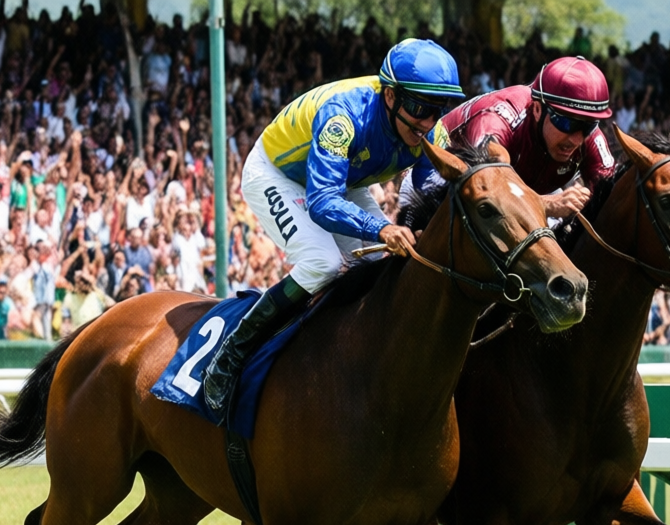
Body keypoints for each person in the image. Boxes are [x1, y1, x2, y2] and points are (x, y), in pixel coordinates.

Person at [201, 38, 465, 416]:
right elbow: (323, 203)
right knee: (322, 262)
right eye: (420, 107)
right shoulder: (343, 115)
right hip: (278, 175)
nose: (428, 122)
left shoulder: (431, 133)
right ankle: (232, 353)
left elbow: (432, 198)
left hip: (346, 183)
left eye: (439, 109)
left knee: (383, 264)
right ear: (390, 96)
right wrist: (382, 229)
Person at [441, 56, 616, 218]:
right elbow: (484, 188)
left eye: (588, 126)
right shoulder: (499, 119)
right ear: (538, 109)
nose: (576, 141)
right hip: (434, 183)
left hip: (523, 193)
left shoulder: (589, 138)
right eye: (566, 123)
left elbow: (614, 194)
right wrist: (544, 204)